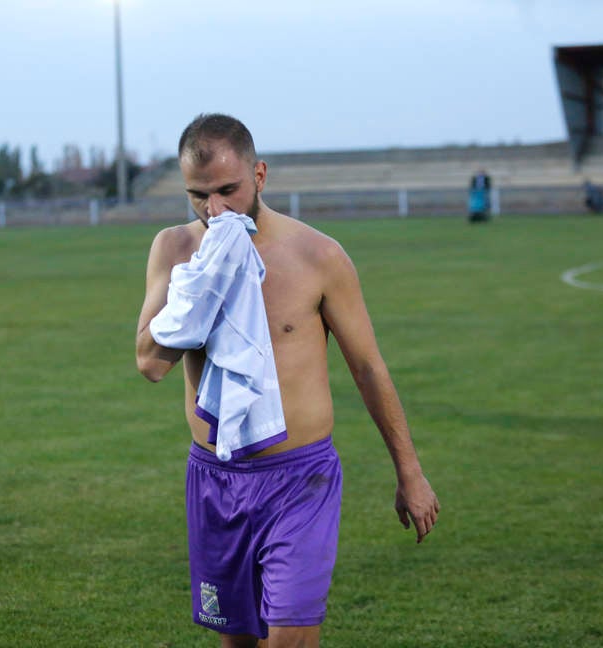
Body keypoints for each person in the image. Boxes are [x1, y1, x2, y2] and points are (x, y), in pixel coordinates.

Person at [135, 113, 439, 648]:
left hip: (300, 480)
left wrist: (409, 472)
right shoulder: (176, 250)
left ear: (260, 175)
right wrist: (202, 286)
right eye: (198, 196)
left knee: (291, 642)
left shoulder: (318, 255)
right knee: (237, 643)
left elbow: (368, 368)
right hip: (216, 479)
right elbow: (151, 364)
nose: (215, 210)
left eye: (228, 190)